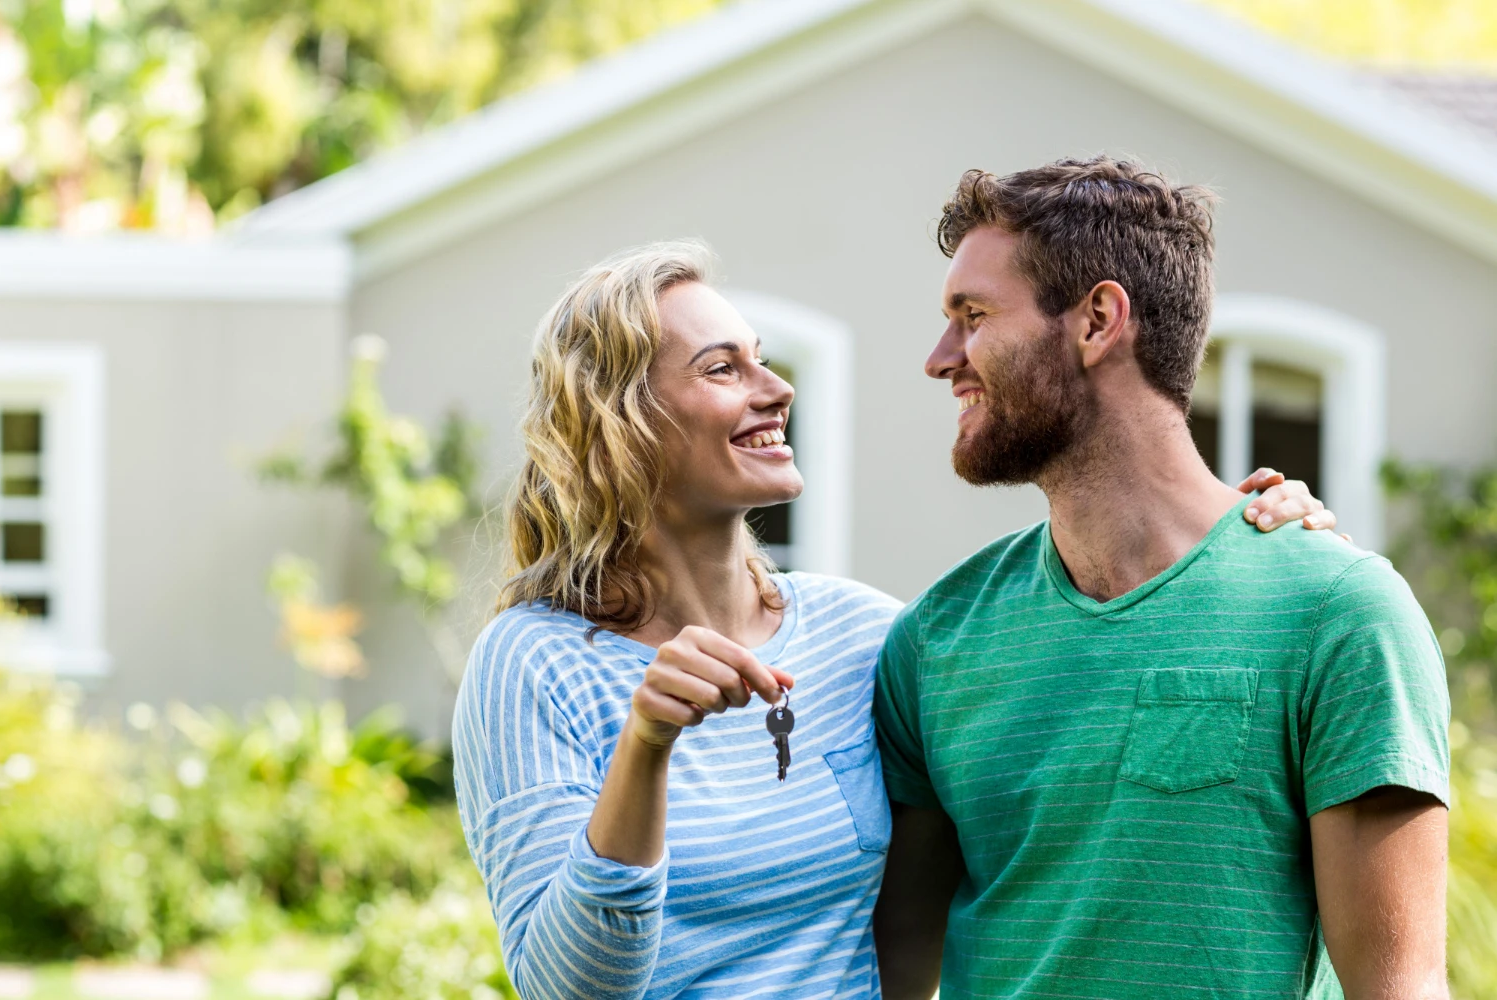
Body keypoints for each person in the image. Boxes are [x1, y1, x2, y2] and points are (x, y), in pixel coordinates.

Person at [451, 241, 1337, 1000]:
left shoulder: (868, 637)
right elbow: (570, 984)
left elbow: (1060, 767)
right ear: (619, 423)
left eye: (763, 357)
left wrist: (1236, 542)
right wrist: (646, 745)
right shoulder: (534, 663)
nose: (776, 388)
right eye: (723, 368)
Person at [871, 159, 1451, 1000]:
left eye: (973, 316)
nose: (939, 359)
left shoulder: (1337, 614)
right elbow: (892, 967)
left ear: (1098, 320)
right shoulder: (937, 637)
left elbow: (1398, 988)